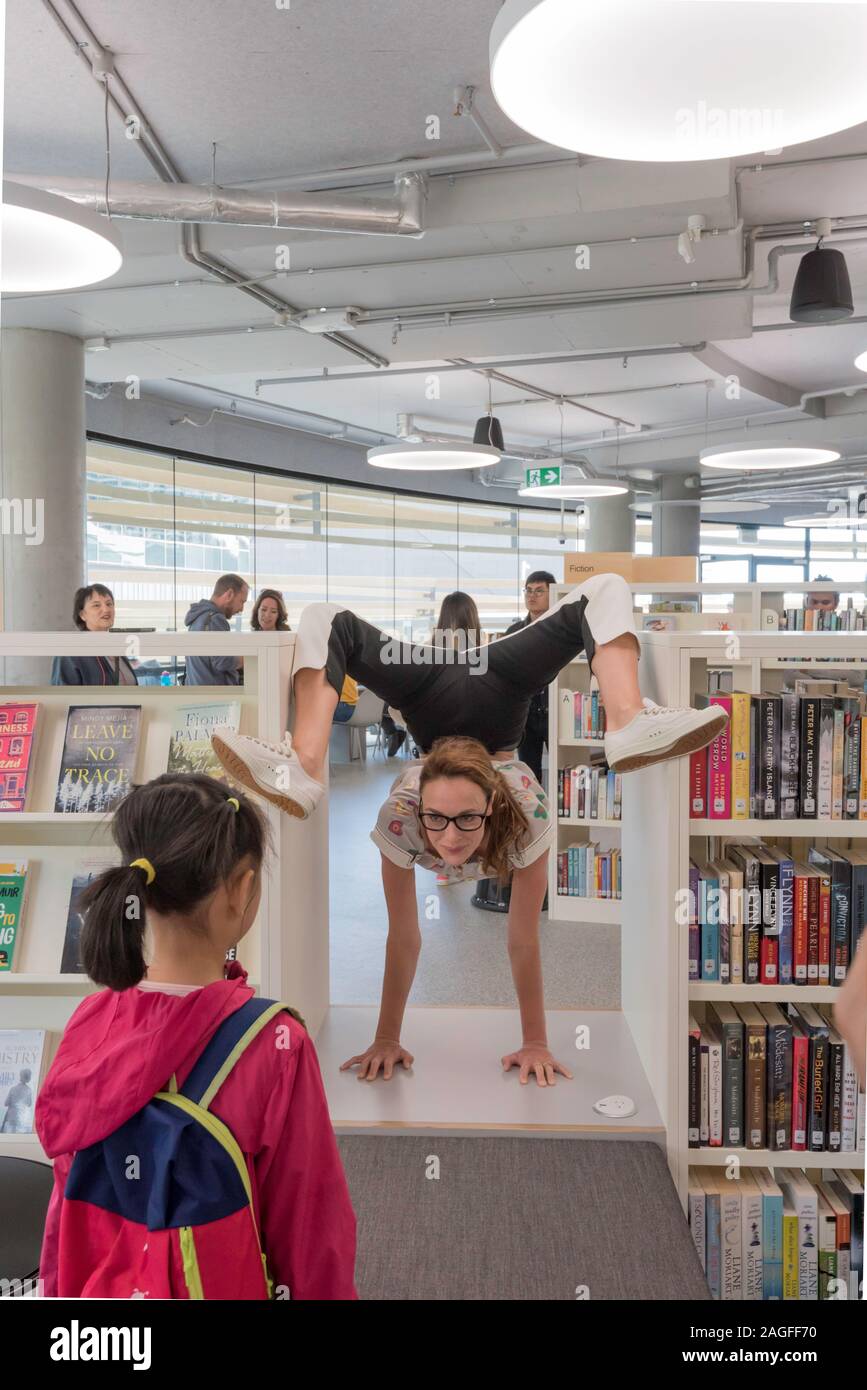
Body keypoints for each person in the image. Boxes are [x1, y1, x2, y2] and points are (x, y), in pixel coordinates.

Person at [210, 574, 728, 1084]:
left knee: (327, 619)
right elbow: (406, 938)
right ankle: (304, 764)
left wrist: (536, 1042)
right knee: (608, 588)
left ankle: (627, 721)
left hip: (431, 688)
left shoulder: (410, 821)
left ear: (488, 810)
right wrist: (387, 1037)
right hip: (496, 683)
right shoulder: (515, 819)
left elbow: (521, 940)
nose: (451, 838)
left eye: (460, 824)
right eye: (439, 822)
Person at [34, 773, 357, 1300]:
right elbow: (311, 1230)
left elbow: (63, 1207)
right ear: (243, 889)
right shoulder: (273, 1042)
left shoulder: (92, 1019)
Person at [504, 571, 556, 783]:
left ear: (552, 595)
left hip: (555, 711)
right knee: (529, 775)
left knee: (563, 767)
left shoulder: (562, 630)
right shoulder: (514, 631)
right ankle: (536, 815)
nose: (532, 596)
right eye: (528, 591)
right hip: (525, 714)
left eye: (539, 591)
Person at [51, 584, 139, 686]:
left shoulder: (116, 647)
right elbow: (63, 696)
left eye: (109, 604)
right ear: (82, 615)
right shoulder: (69, 651)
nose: (106, 610)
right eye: (96, 605)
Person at [184, 573, 248, 685]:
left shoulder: (198, 617)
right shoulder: (214, 619)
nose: (241, 609)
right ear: (229, 594)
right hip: (216, 698)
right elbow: (222, 660)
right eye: (241, 601)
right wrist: (249, 658)